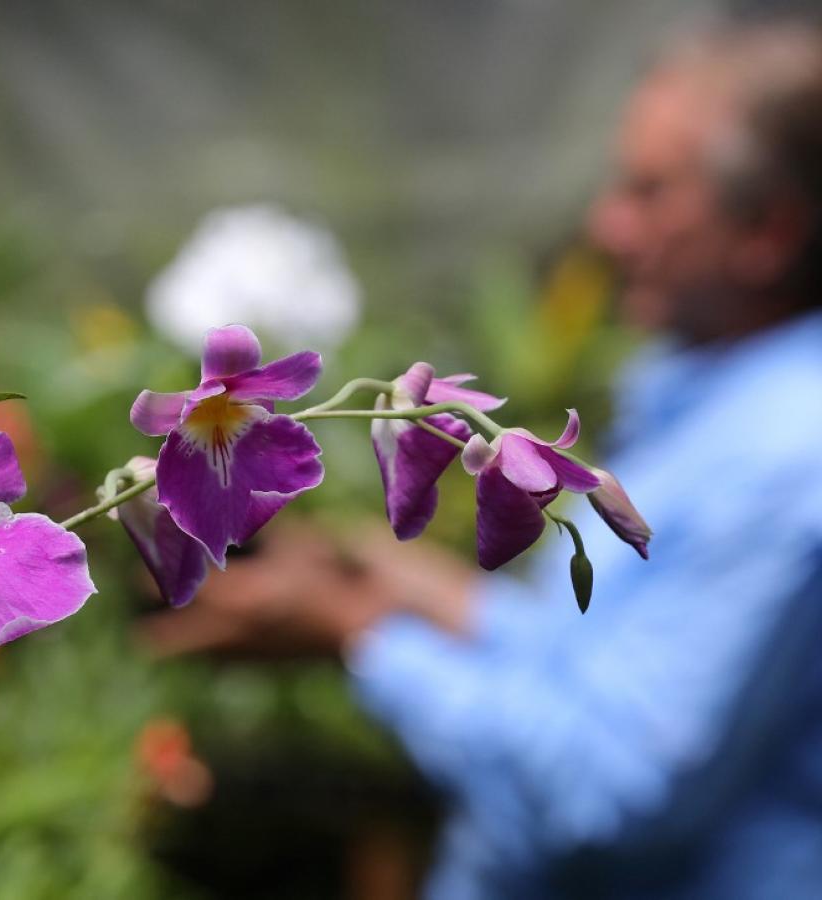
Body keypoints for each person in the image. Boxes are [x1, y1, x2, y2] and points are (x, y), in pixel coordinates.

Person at [140, 19, 822, 898]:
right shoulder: (709, 384)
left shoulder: (786, 461)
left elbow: (609, 789)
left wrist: (358, 634)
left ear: (766, 231)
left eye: (647, 191)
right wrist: (420, 588)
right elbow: (611, 667)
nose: (606, 226)